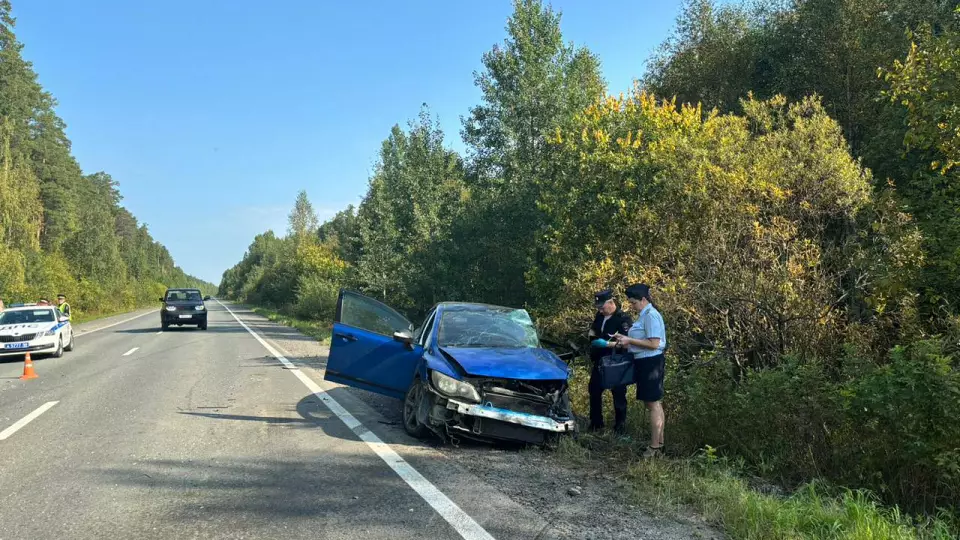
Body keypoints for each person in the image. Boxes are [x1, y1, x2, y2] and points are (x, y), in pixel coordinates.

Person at [611, 283, 667, 458]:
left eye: (634, 303)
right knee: (653, 403)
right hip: (644, 362)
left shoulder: (651, 316)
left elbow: (654, 343)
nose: (632, 306)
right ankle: (659, 444)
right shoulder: (644, 315)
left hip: (651, 363)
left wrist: (629, 340)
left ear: (643, 299)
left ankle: (655, 447)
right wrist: (623, 340)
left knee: (653, 404)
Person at [586, 289, 633, 434]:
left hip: (616, 361)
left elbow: (627, 343)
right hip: (600, 360)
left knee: (618, 394)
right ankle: (596, 424)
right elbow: (593, 330)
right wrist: (592, 338)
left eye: (602, 307)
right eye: (598, 308)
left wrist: (607, 344)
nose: (600, 310)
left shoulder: (623, 319)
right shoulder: (599, 316)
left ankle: (620, 428)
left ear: (611, 303)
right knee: (594, 390)